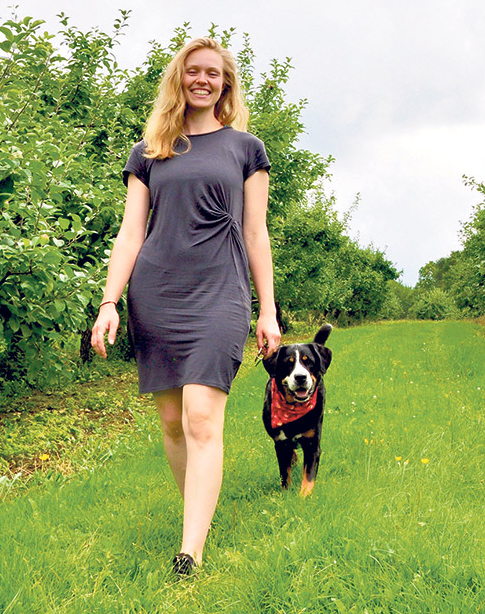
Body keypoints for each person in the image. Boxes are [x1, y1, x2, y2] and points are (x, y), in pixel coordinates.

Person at [90, 37, 281, 575]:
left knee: (201, 416)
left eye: (213, 74)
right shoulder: (151, 150)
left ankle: (189, 551)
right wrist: (110, 301)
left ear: (225, 84)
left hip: (220, 291)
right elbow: (131, 233)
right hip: (157, 290)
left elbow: (255, 230)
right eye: (193, 71)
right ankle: (196, 512)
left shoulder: (247, 148)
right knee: (173, 421)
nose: (203, 80)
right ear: (179, 78)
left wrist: (267, 309)